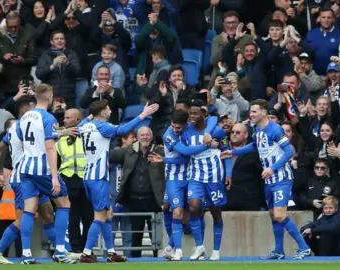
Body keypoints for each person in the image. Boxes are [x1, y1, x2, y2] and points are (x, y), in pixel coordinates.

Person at [222, 99, 312, 260]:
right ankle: (278, 250)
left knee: (279, 214)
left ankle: (304, 247)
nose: (251, 114)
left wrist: (272, 168)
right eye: (251, 111)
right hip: (269, 180)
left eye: (254, 111)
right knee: (272, 214)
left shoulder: (275, 130)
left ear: (264, 113)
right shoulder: (258, 131)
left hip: (281, 178)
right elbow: (254, 146)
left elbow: (289, 151)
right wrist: (233, 152)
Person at [77, 99, 159, 263]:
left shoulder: (84, 126)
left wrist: (92, 113)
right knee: (100, 215)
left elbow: (88, 119)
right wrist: (143, 115)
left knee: (108, 214)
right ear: (102, 112)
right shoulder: (103, 127)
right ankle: (86, 252)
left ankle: (111, 252)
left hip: (88, 175)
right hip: (98, 176)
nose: (110, 110)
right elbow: (123, 130)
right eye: (107, 108)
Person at [17, 84, 76, 264]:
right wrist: (54, 176)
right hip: (42, 167)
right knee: (64, 204)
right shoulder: (48, 117)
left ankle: (26, 254)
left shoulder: (24, 116)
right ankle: (60, 251)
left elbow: (22, 139)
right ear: (49, 97)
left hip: (26, 166)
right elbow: (49, 147)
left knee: (29, 209)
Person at [170, 100, 231, 261]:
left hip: (215, 176)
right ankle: (199, 247)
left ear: (203, 115)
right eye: (190, 113)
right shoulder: (185, 130)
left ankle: (216, 250)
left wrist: (229, 173)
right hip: (195, 174)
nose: (192, 116)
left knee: (216, 211)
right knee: (193, 206)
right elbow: (183, 152)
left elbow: (227, 152)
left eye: (195, 113)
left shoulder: (217, 131)